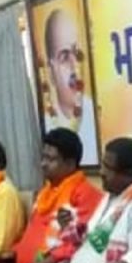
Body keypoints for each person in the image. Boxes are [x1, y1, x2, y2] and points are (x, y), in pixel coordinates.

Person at [0, 128, 101, 263]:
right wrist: (14, 253)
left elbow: (80, 241)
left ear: (70, 163)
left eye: (51, 159)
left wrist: (48, 262)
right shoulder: (46, 192)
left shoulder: (85, 194)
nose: (43, 164)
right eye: (43, 157)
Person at [42, 9, 98, 163]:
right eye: (65, 56)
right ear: (51, 71)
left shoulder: (95, 113)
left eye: (77, 54)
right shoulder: (46, 123)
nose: (74, 66)